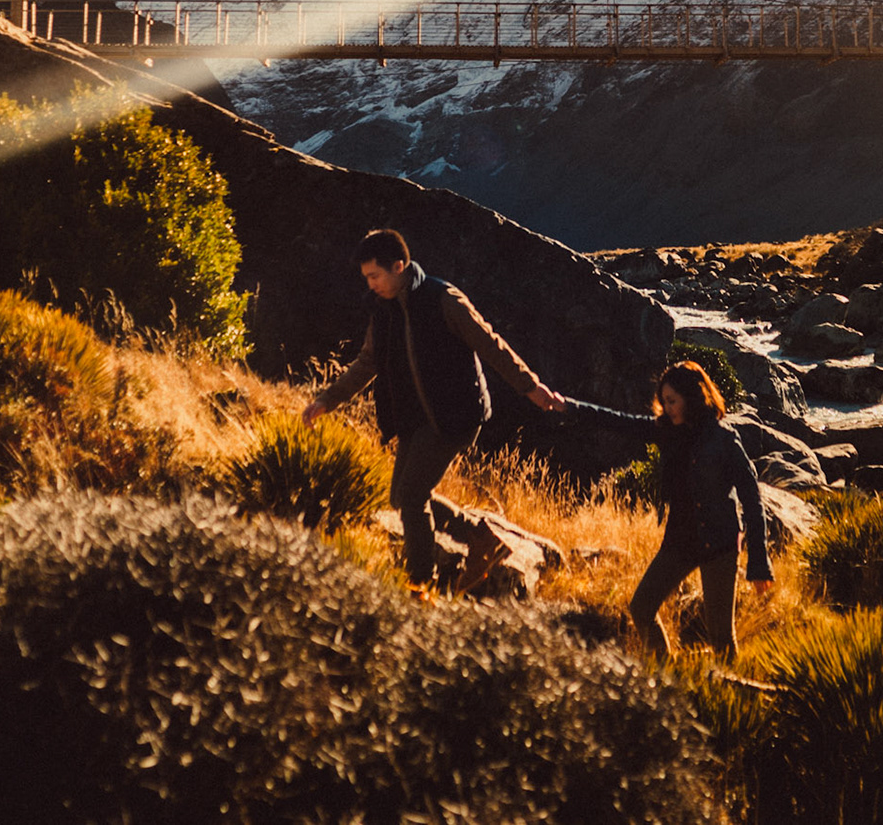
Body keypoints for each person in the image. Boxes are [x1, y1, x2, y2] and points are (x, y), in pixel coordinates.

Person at [302, 228, 560, 587]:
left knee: (411, 497)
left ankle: (419, 583)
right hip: (416, 419)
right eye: (366, 278)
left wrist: (531, 387)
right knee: (400, 496)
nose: (370, 285)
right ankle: (481, 536)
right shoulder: (383, 312)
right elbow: (366, 363)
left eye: (375, 276)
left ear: (399, 266)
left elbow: (489, 344)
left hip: (455, 416)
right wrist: (326, 400)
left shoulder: (443, 299)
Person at [537, 360, 772, 657]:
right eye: (664, 401)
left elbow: (752, 499)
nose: (667, 407)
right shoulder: (667, 432)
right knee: (642, 607)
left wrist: (759, 563)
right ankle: (663, 673)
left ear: (694, 396)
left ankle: (733, 696)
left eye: (672, 401)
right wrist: (568, 406)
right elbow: (617, 420)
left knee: (721, 637)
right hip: (681, 540)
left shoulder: (724, 440)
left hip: (720, 543)